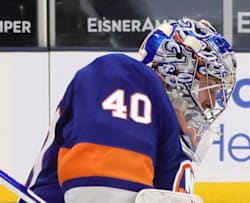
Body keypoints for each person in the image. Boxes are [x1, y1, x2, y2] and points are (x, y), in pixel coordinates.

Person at [19, 17, 236, 203]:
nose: (212, 103)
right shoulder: (124, 78)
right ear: (177, 75)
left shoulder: (164, 135)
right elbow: (101, 194)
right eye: (209, 87)